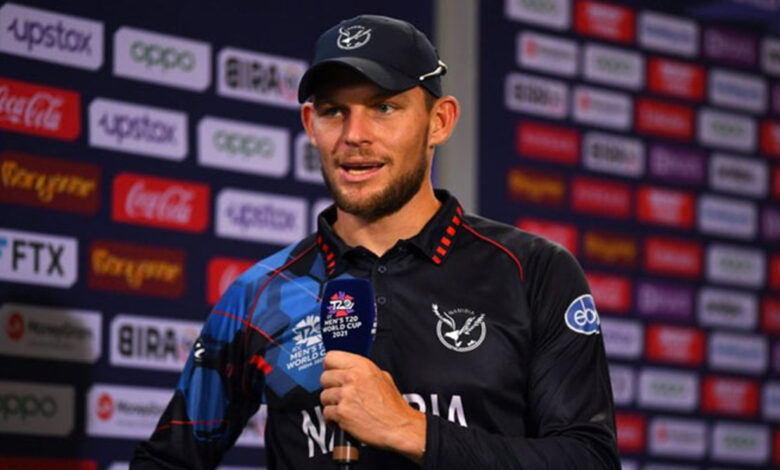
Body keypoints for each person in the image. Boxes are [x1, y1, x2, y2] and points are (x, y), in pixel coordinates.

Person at [132, 14, 619, 470]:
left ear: (439, 121)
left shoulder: (530, 272)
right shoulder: (261, 293)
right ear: (310, 125)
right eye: (333, 111)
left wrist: (411, 429)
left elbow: (589, 459)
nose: (354, 135)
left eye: (384, 107)